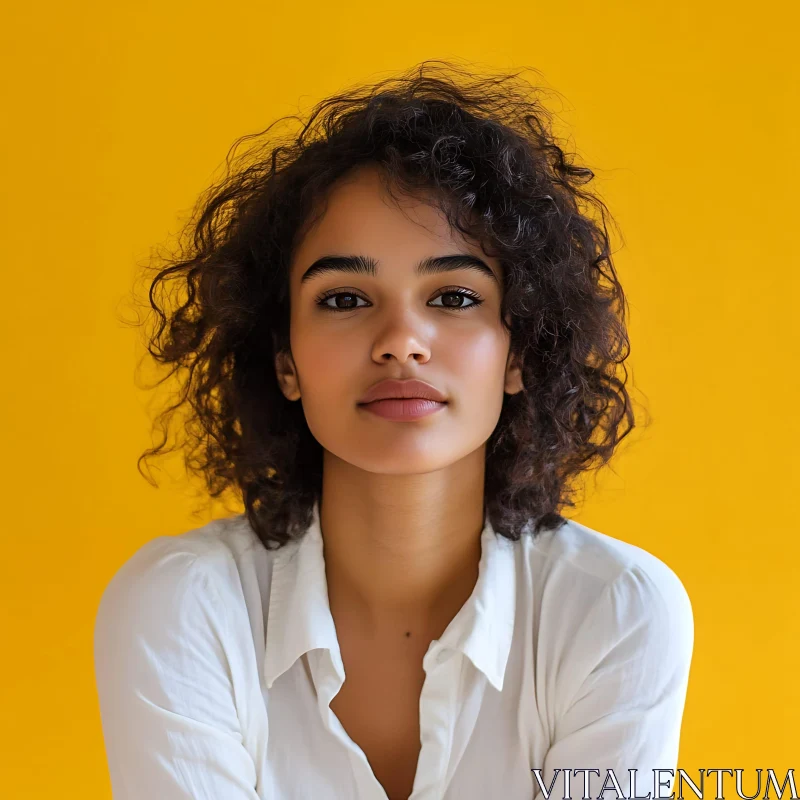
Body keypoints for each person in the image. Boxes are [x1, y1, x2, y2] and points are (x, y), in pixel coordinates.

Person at [93, 60, 694, 800]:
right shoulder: (181, 607)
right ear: (285, 361)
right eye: (345, 298)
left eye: (452, 295)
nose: (401, 340)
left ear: (518, 353)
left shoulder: (615, 612)